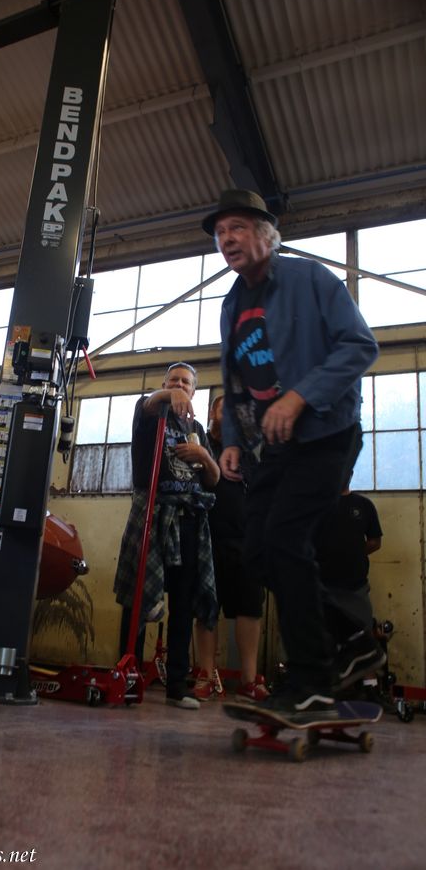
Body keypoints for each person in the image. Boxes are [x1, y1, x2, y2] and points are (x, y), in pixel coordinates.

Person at [202, 188, 379, 721]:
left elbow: (360, 345)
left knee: (284, 539)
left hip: (326, 433)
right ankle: (351, 640)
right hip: (271, 448)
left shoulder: (310, 279)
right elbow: (236, 382)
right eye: (220, 233)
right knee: (257, 554)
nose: (227, 239)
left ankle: (312, 680)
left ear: (266, 234)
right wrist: (234, 439)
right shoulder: (232, 304)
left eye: (237, 227)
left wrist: (301, 396)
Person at [114, 362, 220, 709]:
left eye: (186, 382)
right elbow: (149, 402)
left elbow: (213, 480)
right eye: (173, 380)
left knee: (183, 603)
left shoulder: (197, 429)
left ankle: (176, 685)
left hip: (188, 520)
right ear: (163, 384)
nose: (179, 385)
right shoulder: (149, 411)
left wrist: (204, 456)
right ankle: (127, 676)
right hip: (153, 516)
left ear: (194, 391)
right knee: (138, 598)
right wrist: (166, 395)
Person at [193, 394, 268, 702]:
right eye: (226, 410)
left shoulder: (248, 455)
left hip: (246, 542)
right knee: (207, 609)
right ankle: (206, 675)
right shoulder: (200, 444)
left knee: (250, 608)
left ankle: (249, 681)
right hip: (207, 540)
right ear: (213, 412)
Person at [316, 476, 383, 688]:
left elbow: (375, 541)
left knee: (363, 640)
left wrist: (354, 553)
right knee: (323, 641)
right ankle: (324, 690)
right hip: (322, 587)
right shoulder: (318, 506)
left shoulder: (364, 505)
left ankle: (370, 689)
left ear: (351, 473)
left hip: (356, 587)